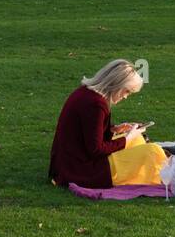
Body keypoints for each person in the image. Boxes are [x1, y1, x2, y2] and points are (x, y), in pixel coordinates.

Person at [48, 59, 165, 189]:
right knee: (154, 151)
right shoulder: (96, 104)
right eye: (126, 92)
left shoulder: (86, 93)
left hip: (70, 162)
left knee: (138, 140)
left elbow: (88, 131)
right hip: (81, 170)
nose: (125, 97)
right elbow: (96, 150)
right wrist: (127, 138)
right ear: (116, 85)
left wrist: (114, 129)